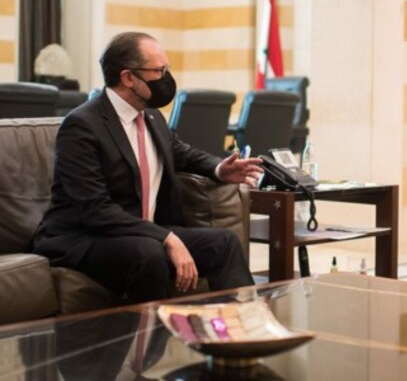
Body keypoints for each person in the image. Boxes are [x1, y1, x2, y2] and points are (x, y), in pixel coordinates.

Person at [32, 32, 262, 303]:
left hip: (144, 233)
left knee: (223, 243)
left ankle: (241, 329)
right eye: (158, 71)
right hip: (84, 236)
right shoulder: (82, 125)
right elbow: (95, 210)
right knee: (149, 254)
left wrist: (219, 169)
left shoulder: (151, 116)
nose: (166, 78)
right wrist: (167, 238)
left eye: (167, 69)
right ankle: (150, 344)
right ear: (128, 78)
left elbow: (181, 153)